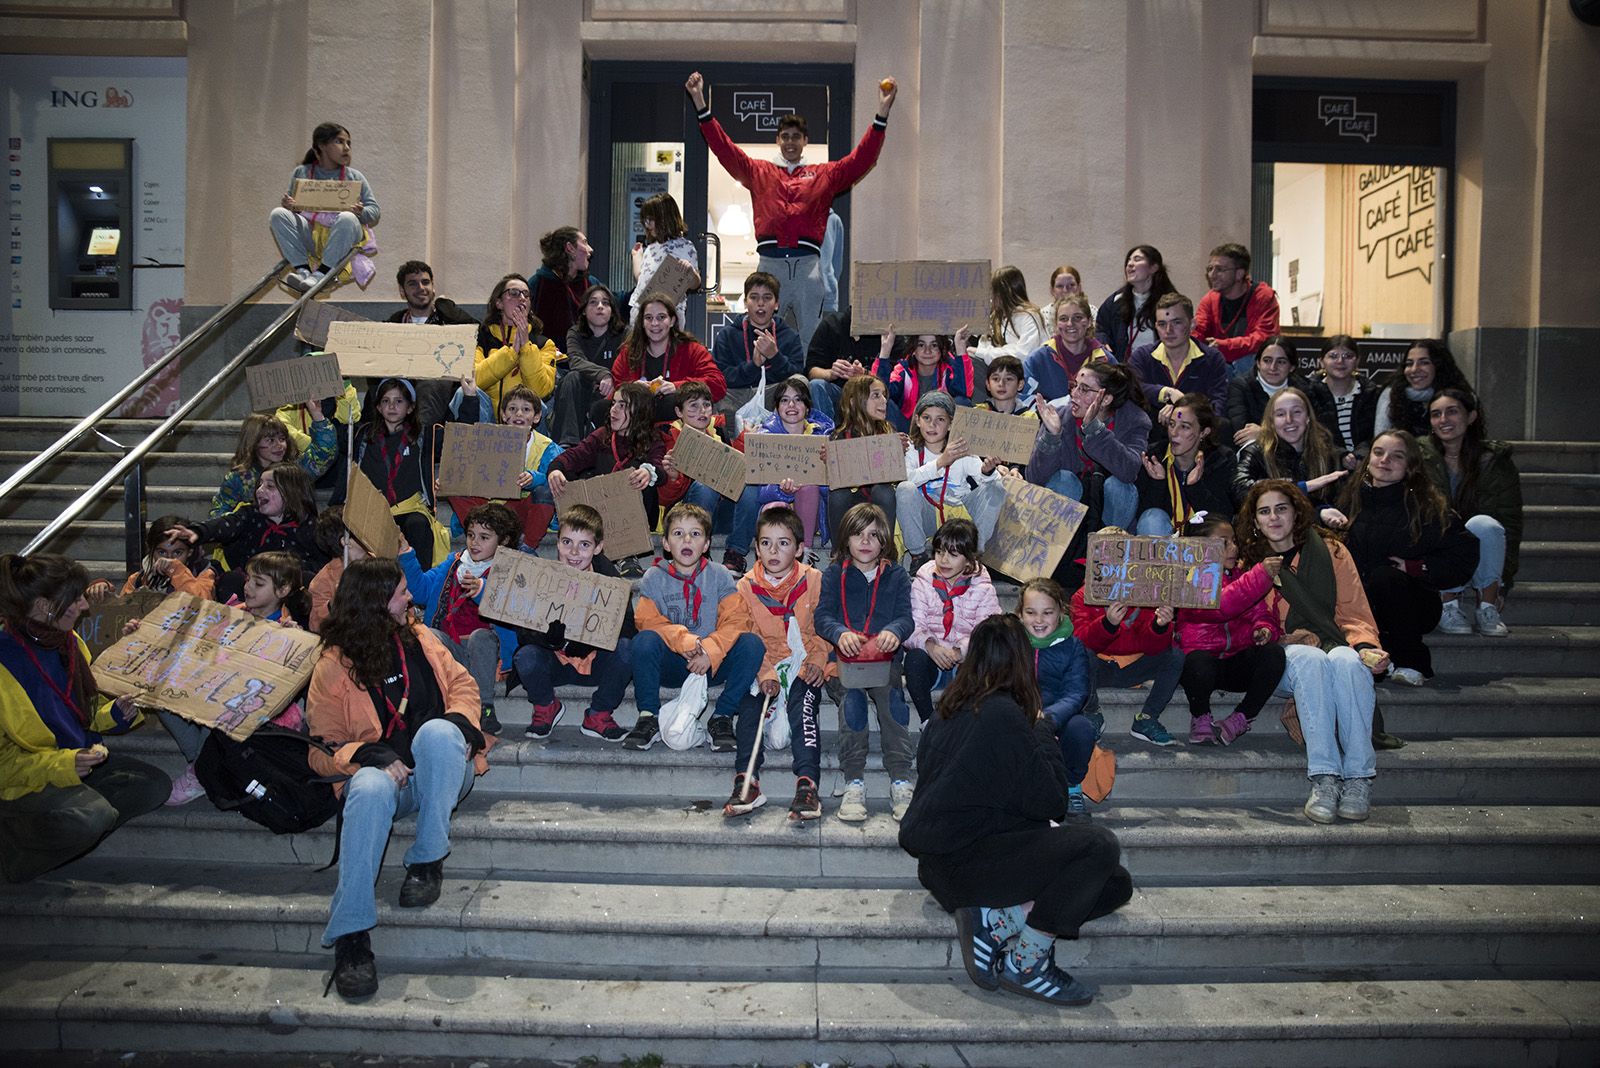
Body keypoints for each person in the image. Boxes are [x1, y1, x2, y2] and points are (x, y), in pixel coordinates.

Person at [898, 614, 1131, 1005]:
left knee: (1113, 885)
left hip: (944, 866)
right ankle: (1027, 963)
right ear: (1020, 662)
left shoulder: (945, 714)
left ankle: (997, 922)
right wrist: (1040, 731)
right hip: (968, 866)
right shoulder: (1005, 715)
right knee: (1098, 847)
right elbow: (1053, 801)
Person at [307, 558, 490, 999]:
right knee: (368, 785)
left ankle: (427, 860)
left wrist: (464, 725)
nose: (410, 598)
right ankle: (352, 937)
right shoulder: (332, 665)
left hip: (441, 772)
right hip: (389, 785)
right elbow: (319, 751)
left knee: (438, 731)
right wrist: (366, 752)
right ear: (375, 603)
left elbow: (464, 687)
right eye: (402, 592)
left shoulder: (421, 638)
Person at [687, 70, 899, 349]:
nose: (790, 142)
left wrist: (881, 114)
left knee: (811, 339)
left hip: (808, 267)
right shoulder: (758, 170)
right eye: (785, 136)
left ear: (804, 141)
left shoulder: (822, 174)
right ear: (778, 140)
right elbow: (724, 149)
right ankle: (763, 387)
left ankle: (807, 388)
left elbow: (861, 160)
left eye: (796, 137)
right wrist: (700, 101)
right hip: (769, 265)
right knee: (760, 337)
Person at [0, 553, 168, 884]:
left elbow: (82, 713)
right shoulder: (5, 660)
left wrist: (117, 713)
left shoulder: (68, 642)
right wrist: (62, 766)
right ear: (42, 605)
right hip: (25, 776)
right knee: (93, 817)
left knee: (153, 786)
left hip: (74, 760)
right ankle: (11, 854)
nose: (84, 607)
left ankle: (71, 821)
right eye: (74, 599)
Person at [1236, 480, 1389, 823]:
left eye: (1281, 508)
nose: (1273, 517)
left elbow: (1354, 613)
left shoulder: (1333, 551)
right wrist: (1278, 636)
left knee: (1348, 662)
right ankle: (1324, 777)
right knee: (1310, 657)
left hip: (1334, 643)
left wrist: (1366, 648)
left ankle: (1358, 778)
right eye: (1264, 511)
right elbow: (1246, 622)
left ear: (1296, 512)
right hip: (1282, 655)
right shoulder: (1250, 562)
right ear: (1255, 521)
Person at [159, 551, 310, 806]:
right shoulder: (231, 613)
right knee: (161, 692)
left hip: (258, 711)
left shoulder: (288, 629)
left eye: (258, 583)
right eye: (248, 579)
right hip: (215, 694)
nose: (248, 587)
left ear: (283, 590)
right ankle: (201, 762)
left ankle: (200, 771)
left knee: (226, 701)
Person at [1337, 430, 1479, 685]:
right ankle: (1379, 658)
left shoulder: (1425, 505)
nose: (1384, 460)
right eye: (1379, 453)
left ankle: (1412, 662)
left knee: (1385, 576)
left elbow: (1464, 551)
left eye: (1397, 456)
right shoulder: (1349, 498)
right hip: (1362, 605)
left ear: (1411, 465)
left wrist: (1418, 567)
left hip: (1413, 604)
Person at [624, 503, 765, 753]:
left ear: (707, 544)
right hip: (673, 662)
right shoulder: (653, 577)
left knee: (752, 644)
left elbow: (736, 619)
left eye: (695, 534)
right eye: (678, 534)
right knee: (643, 640)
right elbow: (647, 620)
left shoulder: (720, 575)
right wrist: (687, 642)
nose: (687, 540)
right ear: (666, 544)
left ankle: (722, 716)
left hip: (712, 665)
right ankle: (648, 716)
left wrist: (709, 650)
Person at [726, 507, 833, 819]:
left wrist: (817, 658)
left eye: (784, 543)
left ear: (800, 548)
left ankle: (807, 785)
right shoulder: (744, 587)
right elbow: (745, 634)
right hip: (765, 664)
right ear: (756, 547)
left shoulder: (815, 581)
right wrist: (764, 674)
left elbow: (826, 627)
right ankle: (747, 782)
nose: (774, 551)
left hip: (802, 663)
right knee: (749, 707)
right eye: (766, 543)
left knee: (804, 703)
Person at [815, 502, 915, 822]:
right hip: (845, 663)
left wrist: (894, 631)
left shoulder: (897, 575)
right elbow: (823, 617)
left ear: (884, 540)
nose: (866, 541)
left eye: (873, 535)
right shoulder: (833, 574)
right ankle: (854, 780)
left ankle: (900, 780)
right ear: (846, 539)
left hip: (884, 661)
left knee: (893, 701)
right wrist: (839, 632)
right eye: (858, 534)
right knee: (854, 700)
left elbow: (905, 617)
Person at [514, 504, 635, 742]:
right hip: (556, 664)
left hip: (596, 665)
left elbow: (628, 628)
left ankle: (598, 714)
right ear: (557, 542)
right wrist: (547, 639)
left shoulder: (611, 582)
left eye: (584, 545)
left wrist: (591, 641)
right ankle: (546, 706)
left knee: (628, 649)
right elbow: (523, 630)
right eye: (567, 542)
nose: (574, 552)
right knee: (526, 656)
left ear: (598, 548)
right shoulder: (543, 577)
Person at [400, 502, 522, 737]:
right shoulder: (453, 563)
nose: (475, 542)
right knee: (428, 634)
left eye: (484, 537)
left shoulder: (511, 569)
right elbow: (421, 590)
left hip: (488, 652)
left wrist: (482, 590)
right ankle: (433, 701)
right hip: (454, 647)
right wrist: (406, 554)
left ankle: (483, 706)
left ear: (504, 541)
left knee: (481, 637)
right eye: (471, 535)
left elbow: (513, 606)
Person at [1173, 513, 1286, 746]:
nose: (1233, 547)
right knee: (1196, 662)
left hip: (1234, 663)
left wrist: (1263, 629)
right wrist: (1260, 575)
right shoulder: (1189, 579)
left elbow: (1262, 615)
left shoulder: (1240, 576)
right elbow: (1220, 607)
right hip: (1201, 670)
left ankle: (1240, 719)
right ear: (1201, 548)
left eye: (1233, 540)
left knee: (1273, 654)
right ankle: (1201, 716)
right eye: (1224, 542)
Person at [343, 376, 477, 568]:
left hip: (410, 508)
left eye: (399, 401)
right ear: (378, 407)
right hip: (372, 510)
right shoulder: (363, 435)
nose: (392, 406)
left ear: (410, 407)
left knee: (418, 524)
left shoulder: (423, 435)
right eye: (386, 401)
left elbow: (462, 437)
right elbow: (341, 445)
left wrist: (470, 397)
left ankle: (418, 588)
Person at [1421, 388, 1522, 637]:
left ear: (1472, 416)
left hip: (1480, 549)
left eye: (1452, 412)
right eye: (1436, 414)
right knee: (1441, 519)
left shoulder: (1495, 461)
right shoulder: (1418, 456)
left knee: (1485, 524)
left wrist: (1504, 582)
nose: (1443, 419)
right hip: (1437, 553)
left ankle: (1487, 606)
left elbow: (1510, 524)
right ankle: (1448, 605)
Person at [1069, 554, 1185, 748]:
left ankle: (1147, 718)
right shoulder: (1082, 596)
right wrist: (1108, 624)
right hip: (1098, 669)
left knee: (1175, 656)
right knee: (1078, 652)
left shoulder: (1145, 597)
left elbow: (1152, 647)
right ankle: (1091, 712)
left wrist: (1159, 626)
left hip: (1134, 667)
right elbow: (1080, 640)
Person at [725, 375, 831, 573]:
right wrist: (784, 492)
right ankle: (771, 561)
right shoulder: (763, 437)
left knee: (808, 486)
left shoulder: (823, 437)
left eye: (798, 399)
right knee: (776, 506)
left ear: (808, 407)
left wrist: (827, 465)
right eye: (784, 399)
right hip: (775, 505)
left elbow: (829, 491)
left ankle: (805, 553)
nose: (791, 404)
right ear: (776, 407)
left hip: (810, 512)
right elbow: (759, 491)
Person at [1030, 363, 1151, 533]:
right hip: (1067, 516)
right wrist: (1052, 436)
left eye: (1084, 389)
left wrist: (1094, 429)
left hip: (1109, 513)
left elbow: (1129, 470)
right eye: (1074, 386)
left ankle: (1108, 551)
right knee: (1065, 480)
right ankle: (1059, 552)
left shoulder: (1134, 421)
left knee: (1119, 487)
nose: (1073, 394)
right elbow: (1035, 479)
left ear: (1106, 399)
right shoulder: (1058, 417)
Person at [548, 382, 666, 554]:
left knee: (639, 474)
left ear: (639, 411)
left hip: (637, 519)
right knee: (574, 477)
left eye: (622, 405)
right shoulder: (602, 435)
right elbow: (573, 456)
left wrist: (648, 472)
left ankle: (627, 551)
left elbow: (660, 469)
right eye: (613, 403)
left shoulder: (653, 439)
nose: (613, 410)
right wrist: (556, 469)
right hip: (603, 514)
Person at [903, 518, 1001, 724]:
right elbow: (912, 625)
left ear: (969, 558)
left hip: (965, 660)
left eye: (953, 554)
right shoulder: (923, 582)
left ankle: (963, 724)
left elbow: (988, 632)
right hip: (933, 657)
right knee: (914, 660)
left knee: (985, 662)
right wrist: (930, 645)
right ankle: (927, 721)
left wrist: (959, 651)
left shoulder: (983, 588)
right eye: (939, 552)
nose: (944, 560)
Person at [442, 385, 562, 552]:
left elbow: (560, 480)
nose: (518, 414)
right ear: (504, 415)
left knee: (545, 490)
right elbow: (465, 471)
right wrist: (448, 481)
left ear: (536, 417)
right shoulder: (486, 439)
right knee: (453, 483)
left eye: (526, 409)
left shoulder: (549, 448)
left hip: (521, 510)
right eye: (512, 409)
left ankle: (527, 548)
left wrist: (535, 479)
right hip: (487, 510)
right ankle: (485, 535)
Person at [1016, 578, 1095, 818]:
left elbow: (1076, 692)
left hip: (1058, 718)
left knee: (1082, 727)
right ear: (1020, 613)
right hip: (1018, 715)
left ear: (1061, 612)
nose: (1038, 620)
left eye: (1047, 613)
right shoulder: (1012, 642)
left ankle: (1071, 785)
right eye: (1031, 612)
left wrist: (1048, 718)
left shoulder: (1073, 647)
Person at [270, 122, 379, 294]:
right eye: (340, 142)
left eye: (348, 143)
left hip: (344, 233)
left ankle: (322, 274)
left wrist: (360, 212)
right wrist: (290, 207)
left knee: (347, 218)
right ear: (321, 145)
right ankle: (303, 271)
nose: (346, 148)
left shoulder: (354, 176)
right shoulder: (301, 172)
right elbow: (293, 211)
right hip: (311, 235)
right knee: (278, 214)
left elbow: (374, 211)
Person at [895, 392, 1000, 568]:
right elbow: (907, 480)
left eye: (940, 420)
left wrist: (988, 472)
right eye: (926, 418)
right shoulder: (910, 448)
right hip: (926, 515)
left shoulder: (961, 447)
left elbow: (987, 483)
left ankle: (975, 553)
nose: (932, 424)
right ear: (918, 420)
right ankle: (918, 554)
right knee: (905, 488)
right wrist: (940, 462)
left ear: (951, 424)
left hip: (958, 515)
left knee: (996, 487)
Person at [170, 462, 323, 579]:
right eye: (260, 484)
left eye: (270, 486)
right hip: (252, 587)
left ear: (292, 493)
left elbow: (322, 562)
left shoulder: (310, 525)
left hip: (290, 591)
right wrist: (198, 531)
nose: (260, 490)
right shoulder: (250, 515)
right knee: (230, 579)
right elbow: (225, 525)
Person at [386, 259, 482, 430]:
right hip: (402, 386)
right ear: (402, 291)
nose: (421, 288)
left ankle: (420, 444)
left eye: (425, 282)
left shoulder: (449, 318)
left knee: (432, 384)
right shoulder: (394, 323)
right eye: (412, 284)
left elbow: (477, 334)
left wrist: (448, 308)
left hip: (439, 390)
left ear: (433, 287)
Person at [1232, 388, 1349, 526]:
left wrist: (1322, 512)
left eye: (1296, 412)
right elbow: (1238, 489)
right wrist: (1300, 487)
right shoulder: (1256, 451)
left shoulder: (1326, 452)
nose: (1289, 420)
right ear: (1271, 422)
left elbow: (1331, 500)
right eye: (1280, 414)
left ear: (1308, 417)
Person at [611, 291, 727, 424]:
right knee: (601, 408)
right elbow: (616, 385)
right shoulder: (629, 351)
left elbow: (718, 384)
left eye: (661, 317)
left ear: (672, 321)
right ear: (642, 323)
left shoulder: (692, 350)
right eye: (648, 318)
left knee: (670, 402)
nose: (654, 323)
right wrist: (632, 388)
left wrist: (677, 387)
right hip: (635, 419)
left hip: (675, 421)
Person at [1133, 394, 1236, 536]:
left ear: (1203, 432)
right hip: (1164, 539)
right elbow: (1143, 518)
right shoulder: (1154, 456)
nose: (1174, 433)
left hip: (1201, 542)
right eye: (1171, 424)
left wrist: (1196, 487)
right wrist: (1158, 484)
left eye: (1185, 427)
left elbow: (1223, 517)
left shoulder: (1220, 459)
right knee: (1152, 518)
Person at [711, 272, 803, 427]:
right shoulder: (727, 335)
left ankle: (793, 437)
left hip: (773, 397)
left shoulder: (789, 335)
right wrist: (753, 366)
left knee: (801, 382)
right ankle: (727, 440)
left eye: (767, 298)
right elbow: (721, 376)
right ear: (746, 302)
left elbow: (797, 374)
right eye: (754, 297)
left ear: (776, 304)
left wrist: (775, 356)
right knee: (713, 390)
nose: (760, 303)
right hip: (737, 396)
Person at [1126, 292, 1229, 427]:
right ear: (1156, 327)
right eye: (1162, 324)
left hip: (1196, 436)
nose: (1168, 330)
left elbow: (1217, 406)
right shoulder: (1142, 357)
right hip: (1151, 436)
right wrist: (1167, 393)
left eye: (1177, 322)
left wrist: (1181, 410)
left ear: (1192, 324)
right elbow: (1131, 388)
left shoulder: (1213, 359)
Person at [211, 408, 334, 518]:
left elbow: (325, 453)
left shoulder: (295, 470)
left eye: (282, 439)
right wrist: (242, 516)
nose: (279, 445)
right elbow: (218, 515)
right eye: (270, 440)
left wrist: (317, 416)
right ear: (253, 443)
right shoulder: (239, 478)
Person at [825, 375, 901, 548]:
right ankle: (839, 553)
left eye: (884, 395)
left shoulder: (890, 434)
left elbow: (897, 479)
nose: (884, 401)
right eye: (876, 395)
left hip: (879, 500)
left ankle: (886, 551)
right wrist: (828, 465)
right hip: (853, 500)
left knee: (884, 491)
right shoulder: (838, 437)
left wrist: (900, 455)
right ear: (854, 402)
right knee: (838, 493)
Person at [551, 283, 627, 446]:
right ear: (584, 310)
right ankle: (568, 444)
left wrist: (611, 379)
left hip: (614, 393)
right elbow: (575, 361)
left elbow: (628, 365)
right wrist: (604, 374)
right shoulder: (575, 332)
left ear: (612, 310)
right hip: (581, 391)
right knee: (572, 377)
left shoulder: (624, 334)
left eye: (605, 303)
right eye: (593, 302)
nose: (600, 306)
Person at [1227, 336, 1337, 448]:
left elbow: (1322, 432)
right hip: (1258, 455)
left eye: (1281, 362)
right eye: (1267, 360)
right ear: (1258, 363)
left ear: (1292, 367)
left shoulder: (1307, 389)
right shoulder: (1240, 387)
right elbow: (1243, 434)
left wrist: (1264, 433)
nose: (1273, 367)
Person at [474, 274, 561, 413]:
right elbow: (475, 379)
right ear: (499, 303)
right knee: (464, 393)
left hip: (525, 420)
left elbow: (540, 391)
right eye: (514, 293)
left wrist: (525, 346)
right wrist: (511, 353)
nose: (521, 298)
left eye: (526, 294)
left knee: (540, 405)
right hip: (489, 419)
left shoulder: (544, 344)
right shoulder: (480, 338)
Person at [1193, 242, 1281, 380]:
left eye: (1220, 269)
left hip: (1250, 364)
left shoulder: (1263, 296)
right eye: (1210, 269)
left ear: (1239, 273)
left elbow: (1264, 339)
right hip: (1221, 363)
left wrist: (1223, 346)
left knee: (1246, 363)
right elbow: (1198, 330)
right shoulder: (1209, 299)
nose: (1212, 275)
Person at [658, 381, 737, 523]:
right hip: (684, 513)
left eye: (706, 405)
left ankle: (737, 545)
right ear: (679, 412)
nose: (702, 411)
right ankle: (696, 536)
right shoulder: (668, 438)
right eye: (694, 405)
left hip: (720, 509)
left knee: (749, 491)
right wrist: (673, 478)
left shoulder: (719, 433)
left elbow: (734, 479)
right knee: (705, 486)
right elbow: (663, 499)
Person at [877, 330, 977, 432]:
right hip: (908, 429)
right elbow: (879, 392)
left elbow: (965, 392)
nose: (927, 351)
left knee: (962, 402)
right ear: (913, 349)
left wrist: (960, 349)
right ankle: (897, 445)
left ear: (942, 349)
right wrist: (885, 350)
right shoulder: (903, 370)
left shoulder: (949, 368)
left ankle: (951, 446)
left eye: (934, 345)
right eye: (921, 345)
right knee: (882, 402)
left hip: (941, 429)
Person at [1022, 293, 1112, 405]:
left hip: (1095, 422)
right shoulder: (1037, 360)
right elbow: (1022, 399)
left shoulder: (1106, 360)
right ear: (1056, 324)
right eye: (1063, 319)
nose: (1070, 324)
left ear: (1089, 322)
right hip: (1046, 421)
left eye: (1077, 318)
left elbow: (1120, 400)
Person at [1372, 339, 1471, 439]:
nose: (1414, 369)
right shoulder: (1391, 395)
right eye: (1409, 364)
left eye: (1424, 363)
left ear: (1439, 366)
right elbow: (1381, 440)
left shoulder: (1458, 397)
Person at [104, 514, 216, 602]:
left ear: (190, 552)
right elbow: (123, 613)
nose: (169, 558)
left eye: (177, 552)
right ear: (151, 550)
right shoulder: (139, 579)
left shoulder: (204, 573)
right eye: (162, 552)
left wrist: (176, 570)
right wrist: (104, 591)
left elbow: (202, 605)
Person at [1095, 245, 1177, 362]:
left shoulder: (1170, 302)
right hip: (1124, 371)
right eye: (1129, 260)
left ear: (1153, 267)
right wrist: (1103, 341)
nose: (1130, 264)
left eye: (1137, 259)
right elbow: (1101, 327)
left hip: (1159, 369)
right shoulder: (1116, 301)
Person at [630, 192, 701, 324]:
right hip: (642, 311)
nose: (647, 225)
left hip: (669, 314)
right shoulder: (651, 248)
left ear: (665, 219)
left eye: (650, 219)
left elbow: (695, 283)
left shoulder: (685, 246)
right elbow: (641, 278)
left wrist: (690, 271)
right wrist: (636, 257)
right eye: (645, 220)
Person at [804, 307, 880, 420]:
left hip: (871, 395)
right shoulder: (832, 324)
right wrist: (831, 373)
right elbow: (811, 370)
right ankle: (825, 433)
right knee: (816, 385)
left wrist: (865, 374)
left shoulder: (886, 330)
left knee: (885, 398)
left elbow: (894, 381)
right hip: (838, 393)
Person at [529, 226, 599, 347]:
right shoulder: (538, 284)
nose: (591, 250)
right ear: (570, 248)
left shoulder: (591, 283)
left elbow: (615, 304)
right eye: (585, 243)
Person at [1316, 335, 1378, 464]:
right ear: (1321, 362)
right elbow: (1311, 436)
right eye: (1333, 356)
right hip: (1324, 465)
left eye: (1348, 356)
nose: (1340, 361)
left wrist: (1360, 455)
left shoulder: (1371, 394)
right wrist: (1340, 455)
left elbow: (1375, 434)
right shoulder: (1309, 394)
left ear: (1357, 361)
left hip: (1366, 464)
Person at [969, 266, 1046, 365]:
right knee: (968, 358)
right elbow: (983, 347)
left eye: (993, 292)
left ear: (1005, 293)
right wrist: (1006, 350)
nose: (990, 297)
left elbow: (1022, 355)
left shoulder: (1030, 316)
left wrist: (986, 353)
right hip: (997, 372)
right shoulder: (994, 317)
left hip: (1023, 375)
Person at [307, 508, 361, 633]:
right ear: (346, 542)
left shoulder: (380, 562)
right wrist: (333, 604)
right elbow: (315, 626)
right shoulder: (322, 582)